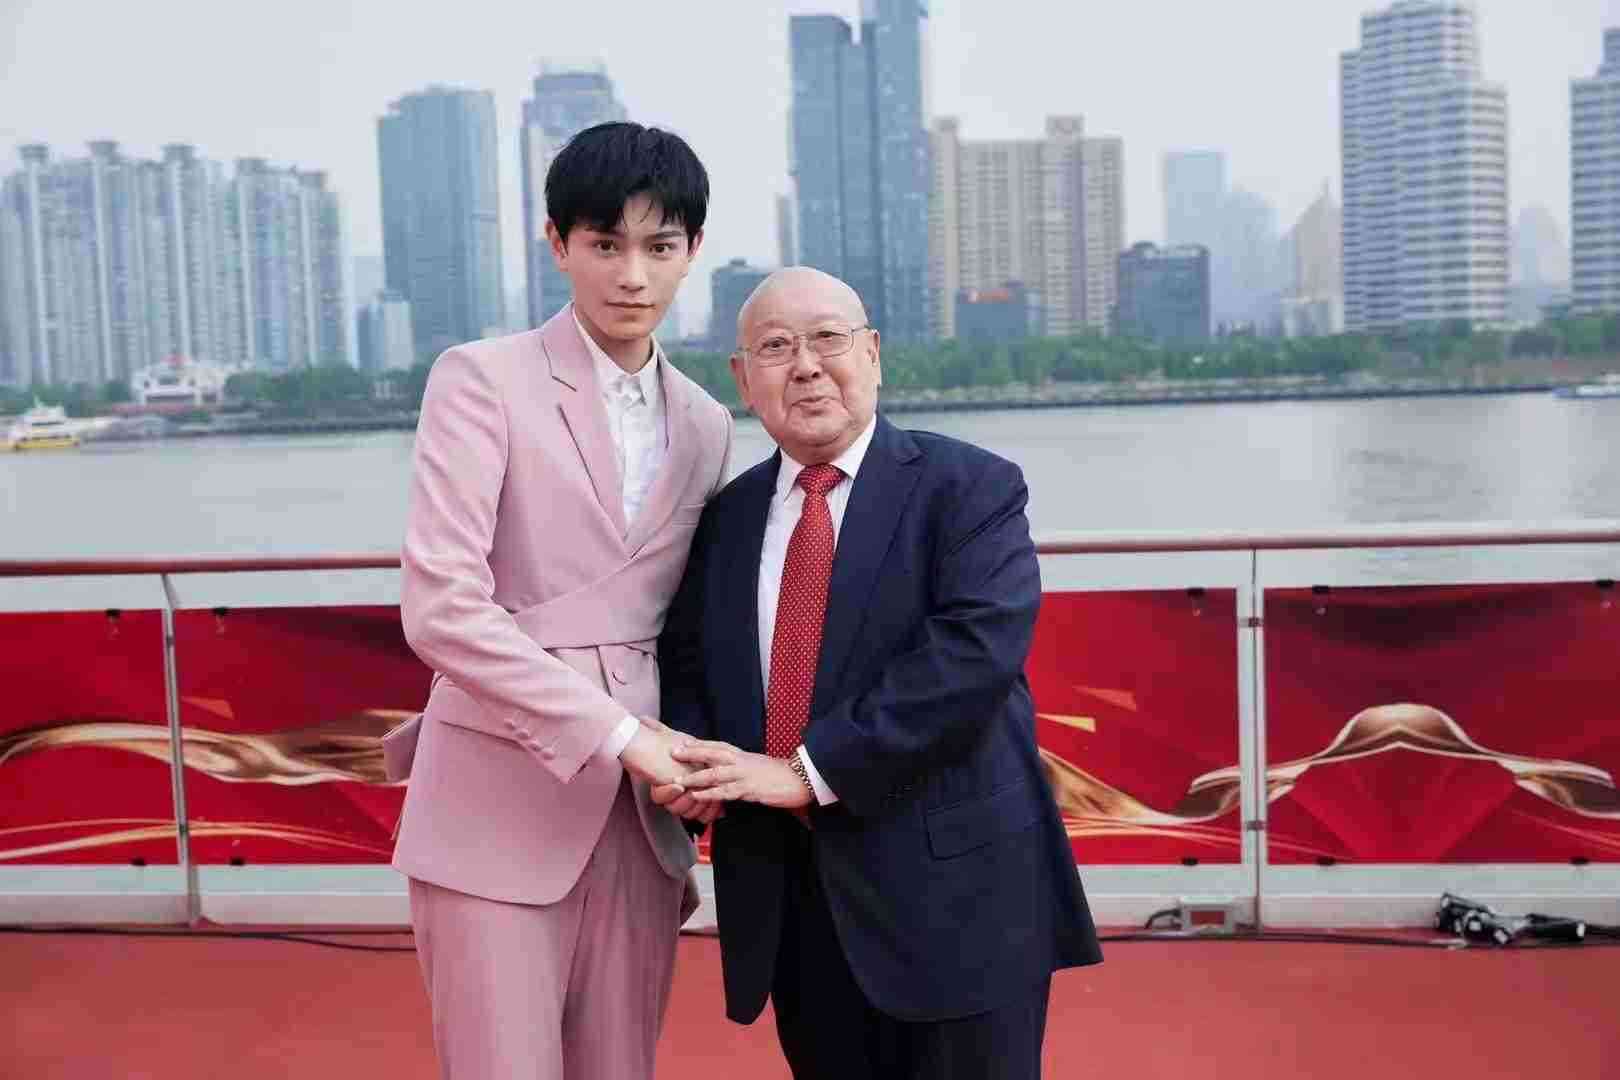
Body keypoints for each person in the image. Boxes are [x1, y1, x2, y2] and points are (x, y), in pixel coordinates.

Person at [654, 266, 1102, 1080]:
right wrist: (693, 767)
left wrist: (806, 772)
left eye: (828, 338)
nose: (806, 366)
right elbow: (688, 664)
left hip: (957, 905)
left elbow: (970, 658)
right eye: (776, 347)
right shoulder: (723, 521)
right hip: (796, 908)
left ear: (873, 353)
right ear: (743, 380)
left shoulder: (971, 488)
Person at [389, 121, 732, 1080]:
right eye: (605, 244)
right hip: (496, 795)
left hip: (643, 817)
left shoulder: (708, 423)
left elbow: (689, 630)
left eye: (660, 247)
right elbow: (442, 609)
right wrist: (621, 736)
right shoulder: (480, 379)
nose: (633, 275)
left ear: (693, 251)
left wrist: (697, 763)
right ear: (557, 243)